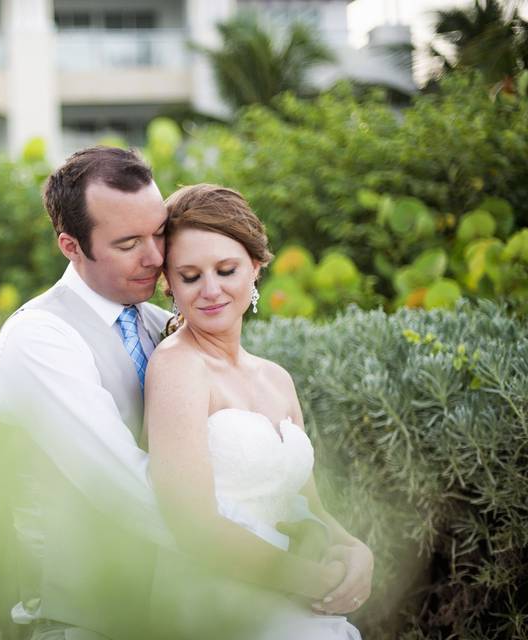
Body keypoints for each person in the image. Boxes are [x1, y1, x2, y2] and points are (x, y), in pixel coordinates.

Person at [143, 184, 373, 639]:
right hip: (218, 604)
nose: (210, 290)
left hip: (292, 595)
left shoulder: (277, 378)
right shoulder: (176, 366)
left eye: (226, 269)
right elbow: (192, 526)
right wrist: (315, 581)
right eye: (190, 276)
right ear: (168, 283)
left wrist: (356, 551)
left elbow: (307, 506)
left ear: (256, 267)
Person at [0, 146, 173, 640]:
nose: (155, 257)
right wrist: (272, 559)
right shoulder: (38, 336)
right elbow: (126, 487)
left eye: (159, 233)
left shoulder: (166, 325)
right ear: (71, 246)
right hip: (79, 621)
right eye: (129, 242)